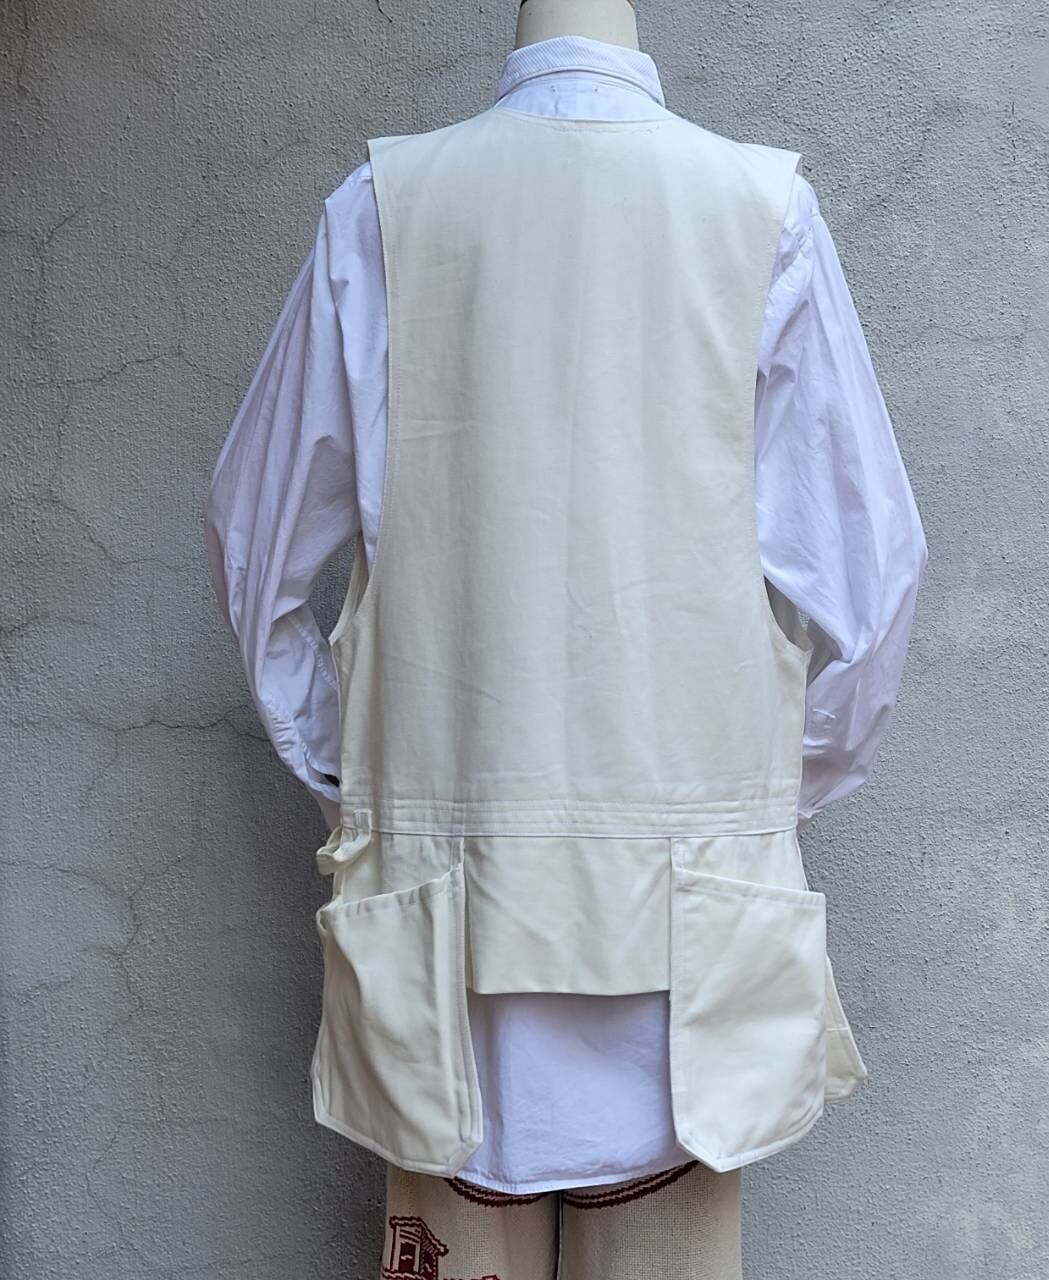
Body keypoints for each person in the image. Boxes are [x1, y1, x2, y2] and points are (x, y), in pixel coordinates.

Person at [204, 21, 927, 1280]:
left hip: (445, 940)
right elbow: (873, 584)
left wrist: (360, 784)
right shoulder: (757, 213)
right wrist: (757, 808)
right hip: (688, 951)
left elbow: (256, 554)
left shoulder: (387, 209)